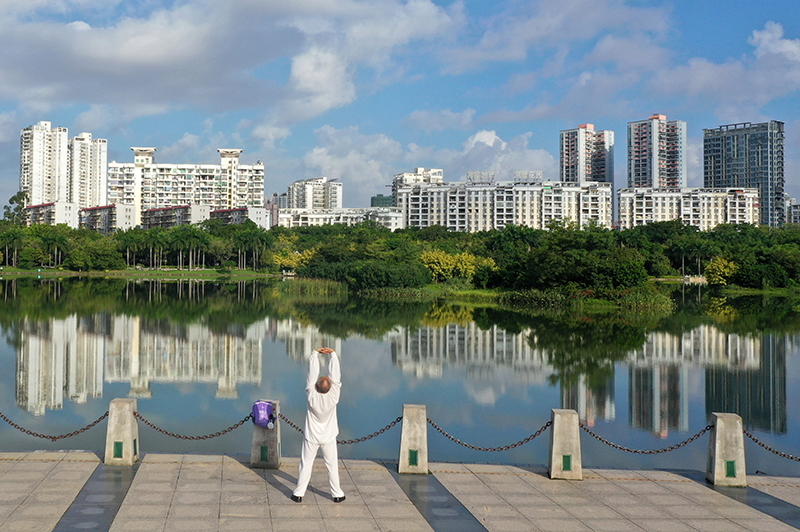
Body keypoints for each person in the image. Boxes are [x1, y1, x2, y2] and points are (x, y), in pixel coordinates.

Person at [291, 347, 345, 503]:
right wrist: (333, 356)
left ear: (316, 386)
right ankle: (337, 494)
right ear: (330, 387)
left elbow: (311, 374)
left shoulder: (311, 395)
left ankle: (299, 493)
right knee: (332, 465)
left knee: (306, 464)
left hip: (312, 436)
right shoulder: (334, 396)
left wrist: (315, 354)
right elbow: (336, 377)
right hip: (328, 436)